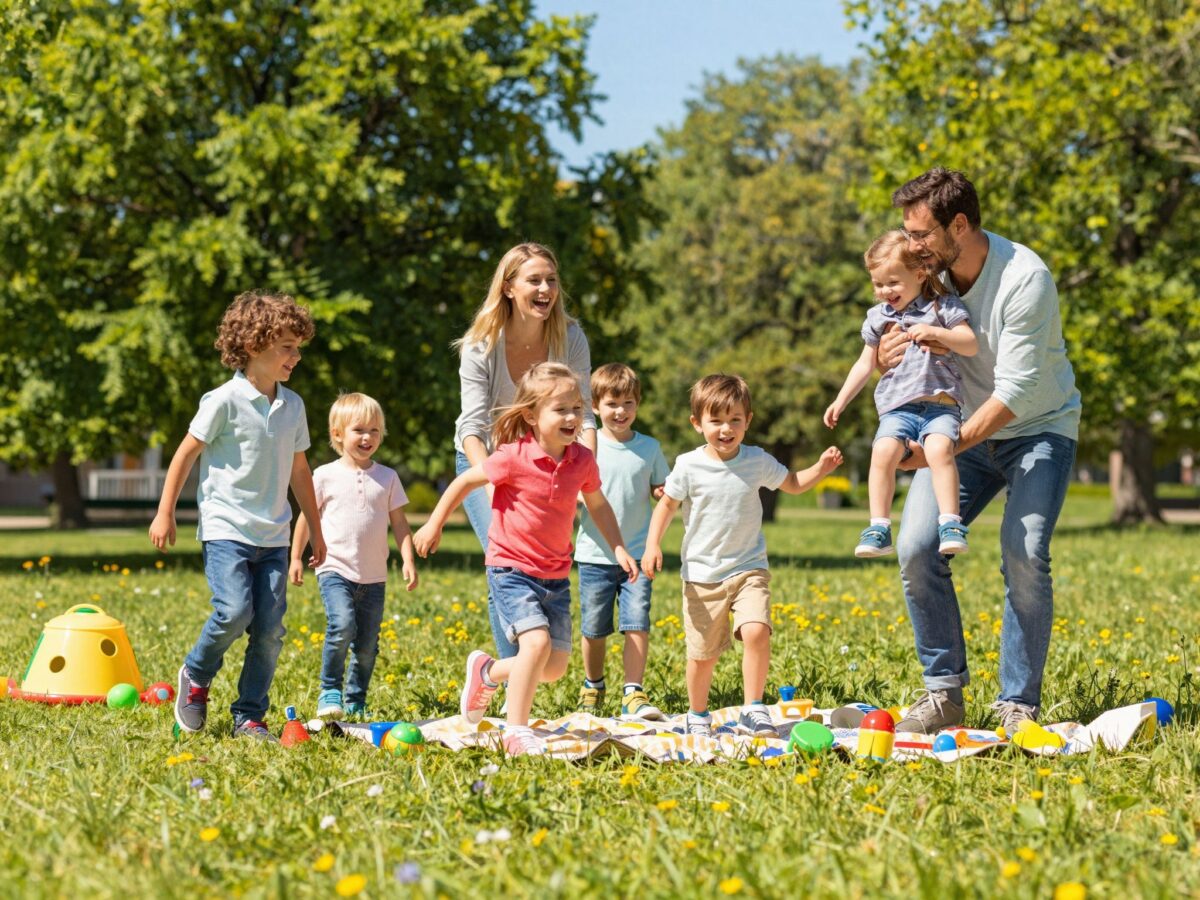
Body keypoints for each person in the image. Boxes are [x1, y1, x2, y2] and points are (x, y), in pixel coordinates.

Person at [882, 168, 1081, 734]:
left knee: (1024, 551)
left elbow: (1015, 393)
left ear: (959, 225)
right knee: (917, 547)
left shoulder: (1025, 278)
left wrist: (936, 453)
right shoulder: (930, 276)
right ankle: (944, 694)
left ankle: (1018, 703)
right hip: (960, 429)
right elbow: (892, 344)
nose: (911, 246)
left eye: (920, 234)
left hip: (1037, 427)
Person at [415, 363, 635, 756]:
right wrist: (434, 524)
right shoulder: (513, 456)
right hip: (511, 569)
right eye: (560, 409)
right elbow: (466, 481)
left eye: (576, 408)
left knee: (552, 668)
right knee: (534, 645)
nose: (572, 417)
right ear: (532, 416)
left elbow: (598, 505)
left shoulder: (582, 460)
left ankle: (487, 672)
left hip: (555, 575)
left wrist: (617, 546)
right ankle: (516, 731)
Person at [149, 290, 326, 741]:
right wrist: (165, 512)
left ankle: (249, 714)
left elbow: (300, 470)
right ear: (253, 346)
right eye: (287, 347)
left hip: (274, 535)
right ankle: (196, 673)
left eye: (298, 348)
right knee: (233, 611)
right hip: (226, 528)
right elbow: (185, 455)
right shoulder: (223, 400)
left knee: (269, 630)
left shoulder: (294, 406)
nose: (296, 356)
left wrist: (316, 532)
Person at [641, 374, 843, 737]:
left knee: (756, 630)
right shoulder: (688, 465)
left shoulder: (757, 460)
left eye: (735, 419)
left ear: (748, 421)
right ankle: (697, 714)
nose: (726, 428)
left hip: (749, 567)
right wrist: (653, 545)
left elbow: (793, 484)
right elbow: (667, 505)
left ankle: (753, 708)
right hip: (702, 575)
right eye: (716, 420)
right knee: (702, 654)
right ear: (697, 423)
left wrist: (821, 469)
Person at [453, 243, 596, 662]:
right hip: (488, 461)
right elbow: (471, 427)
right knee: (505, 563)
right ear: (509, 287)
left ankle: (511, 674)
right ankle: (512, 676)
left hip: (551, 465)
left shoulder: (570, 337)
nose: (545, 288)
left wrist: (584, 475)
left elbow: (584, 415)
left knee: (542, 563)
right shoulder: (480, 345)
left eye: (551, 280)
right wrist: (493, 480)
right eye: (534, 280)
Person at [824, 230, 978, 559]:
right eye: (878, 284)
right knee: (881, 453)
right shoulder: (878, 317)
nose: (885, 291)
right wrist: (841, 400)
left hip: (940, 406)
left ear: (920, 273)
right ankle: (879, 526)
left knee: (939, 451)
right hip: (897, 410)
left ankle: (950, 523)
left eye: (892, 282)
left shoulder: (942, 306)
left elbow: (970, 343)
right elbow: (865, 364)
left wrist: (938, 333)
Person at [289, 392, 418, 719]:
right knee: (342, 624)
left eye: (375, 430)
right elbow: (307, 516)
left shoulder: (387, 477)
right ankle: (329, 690)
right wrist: (295, 558)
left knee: (366, 646)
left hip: (374, 576)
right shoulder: (324, 475)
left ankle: (356, 701)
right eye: (359, 430)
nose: (367, 437)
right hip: (334, 568)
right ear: (337, 434)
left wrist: (408, 559)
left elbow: (400, 523)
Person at [574, 363, 670, 719]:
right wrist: (576, 497)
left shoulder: (650, 447)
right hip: (594, 554)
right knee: (594, 628)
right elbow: (571, 488)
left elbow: (661, 486)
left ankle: (633, 691)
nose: (621, 411)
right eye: (612, 404)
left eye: (628, 403)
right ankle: (593, 684)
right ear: (595, 408)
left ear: (638, 405)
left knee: (637, 622)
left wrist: (661, 490)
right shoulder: (586, 448)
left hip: (638, 553)